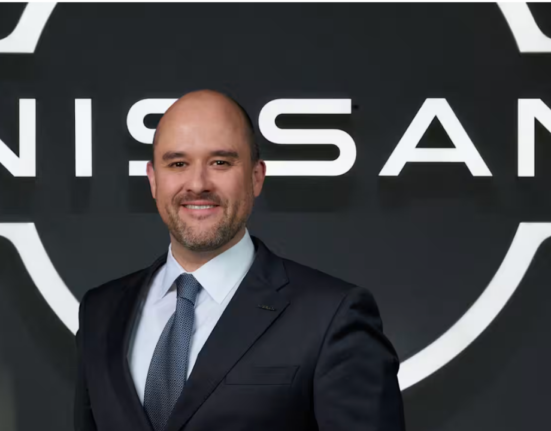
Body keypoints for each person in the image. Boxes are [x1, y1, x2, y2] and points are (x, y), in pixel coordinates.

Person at [74, 89, 405, 431]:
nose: (198, 184)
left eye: (220, 162)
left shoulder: (332, 315)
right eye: (178, 163)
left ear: (256, 177)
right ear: (153, 179)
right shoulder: (100, 311)